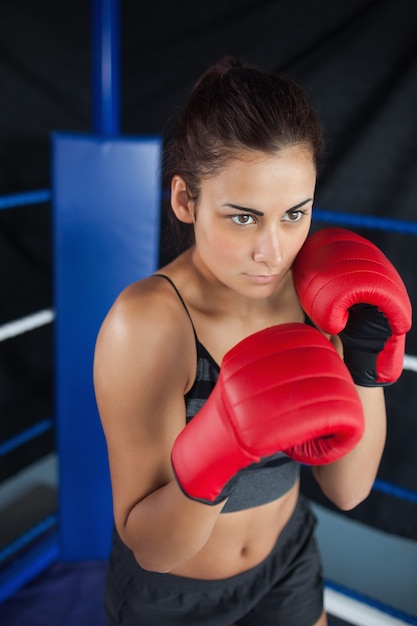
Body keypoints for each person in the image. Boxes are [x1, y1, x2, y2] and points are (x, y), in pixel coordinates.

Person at [93, 56, 411, 626]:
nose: (273, 250)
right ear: (185, 201)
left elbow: (348, 490)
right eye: (243, 218)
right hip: (172, 599)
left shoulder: (317, 293)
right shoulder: (147, 326)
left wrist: (364, 365)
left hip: (286, 563)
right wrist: (217, 449)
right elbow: (155, 550)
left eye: (295, 213)